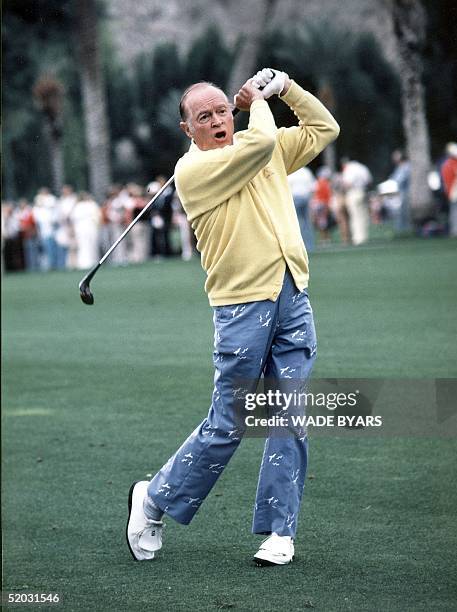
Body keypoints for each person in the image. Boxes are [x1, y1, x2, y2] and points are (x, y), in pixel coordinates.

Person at [126, 68, 340, 566]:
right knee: (230, 422)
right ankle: (153, 498)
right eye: (206, 115)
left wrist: (285, 88)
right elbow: (262, 142)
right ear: (188, 129)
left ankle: (280, 532)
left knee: (290, 416)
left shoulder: (257, 143)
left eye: (224, 109)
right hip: (240, 306)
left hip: (292, 294)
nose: (220, 119)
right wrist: (258, 101)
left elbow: (324, 129)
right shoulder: (193, 171)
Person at [341, 158, 372, 245]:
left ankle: (357, 238)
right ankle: (364, 237)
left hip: (353, 193)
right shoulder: (363, 167)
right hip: (363, 191)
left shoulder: (349, 169)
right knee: (363, 215)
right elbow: (369, 181)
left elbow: (347, 183)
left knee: (355, 216)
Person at [287, 165, 316, 252]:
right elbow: (313, 187)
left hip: (295, 198)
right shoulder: (306, 172)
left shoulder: (291, 171)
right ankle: (309, 246)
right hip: (306, 197)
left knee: (298, 222)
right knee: (307, 222)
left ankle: (300, 246)